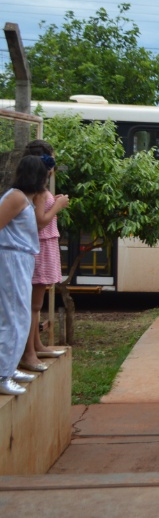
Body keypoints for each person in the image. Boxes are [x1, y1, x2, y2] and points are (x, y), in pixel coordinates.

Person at [20, 140, 69, 370]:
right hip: (41, 246)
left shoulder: (39, 188)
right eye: (52, 160)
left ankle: (36, 345)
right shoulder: (39, 190)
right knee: (34, 305)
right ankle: (29, 352)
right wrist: (58, 206)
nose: (53, 167)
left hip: (45, 245)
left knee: (36, 305)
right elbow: (40, 222)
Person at [1, 156, 47, 394]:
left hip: (21, 259)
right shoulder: (16, 197)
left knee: (20, 315)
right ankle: (2, 373)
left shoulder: (25, 198)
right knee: (13, 316)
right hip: (11, 258)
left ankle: (9, 366)